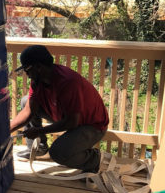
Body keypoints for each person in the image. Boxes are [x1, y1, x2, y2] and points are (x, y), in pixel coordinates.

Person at [10, 45, 109, 173]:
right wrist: (7, 129)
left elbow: (71, 122)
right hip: (66, 116)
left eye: (27, 69)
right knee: (25, 101)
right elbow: (29, 111)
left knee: (58, 153)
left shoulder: (67, 82)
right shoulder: (37, 81)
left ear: (39, 67)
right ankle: (40, 149)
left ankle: (95, 160)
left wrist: (40, 130)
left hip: (92, 125)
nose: (26, 74)